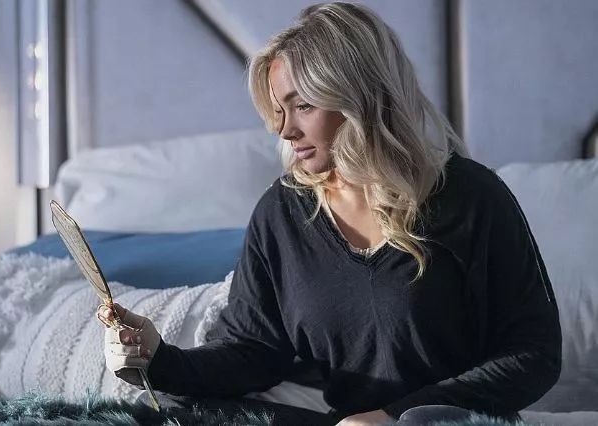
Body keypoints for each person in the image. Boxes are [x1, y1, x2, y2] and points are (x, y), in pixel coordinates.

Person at [97, 2, 562, 425]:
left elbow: (533, 354)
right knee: (161, 418)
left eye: (303, 105)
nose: (284, 129)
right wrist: (159, 359)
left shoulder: (472, 197)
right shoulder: (282, 212)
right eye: (278, 109)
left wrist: (393, 417)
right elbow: (255, 352)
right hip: (347, 425)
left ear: (361, 98)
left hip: (450, 421)